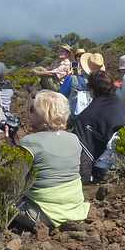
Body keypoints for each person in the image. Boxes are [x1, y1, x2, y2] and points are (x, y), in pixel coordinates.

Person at [14, 91, 90, 230]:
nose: (29, 114)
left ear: (43, 114)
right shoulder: (74, 139)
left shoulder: (30, 142)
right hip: (75, 208)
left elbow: (14, 179)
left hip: (42, 214)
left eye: (33, 110)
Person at [73, 71, 125, 183]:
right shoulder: (118, 102)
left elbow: (85, 149)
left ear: (92, 89)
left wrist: (84, 178)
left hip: (104, 169)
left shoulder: (86, 116)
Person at [61, 52, 104, 117]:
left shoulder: (72, 79)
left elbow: (62, 96)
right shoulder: (103, 82)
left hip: (74, 117)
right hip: (94, 116)